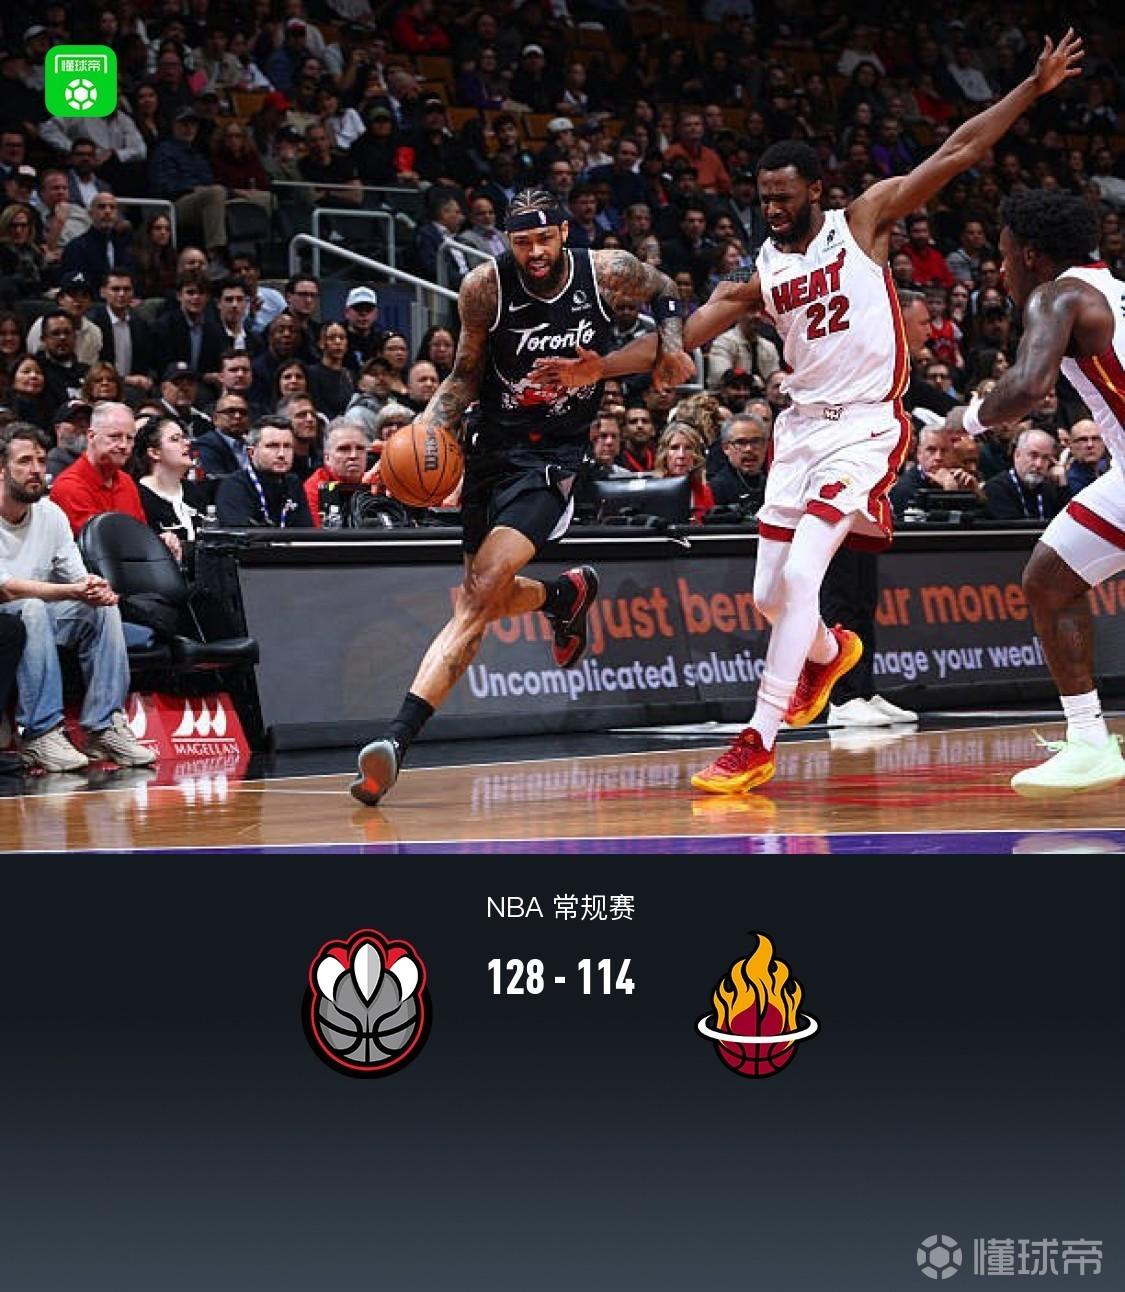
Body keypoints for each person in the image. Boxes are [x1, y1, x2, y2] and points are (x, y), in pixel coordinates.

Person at [535, 30, 1084, 795]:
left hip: (862, 426)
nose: (771, 210)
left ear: (814, 193)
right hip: (796, 432)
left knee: (800, 575)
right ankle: (828, 654)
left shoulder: (860, 222)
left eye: (784, 199)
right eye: (762, 199)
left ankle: (756, 739)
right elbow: (685, 331)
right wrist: (598, 365)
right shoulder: (757, 270)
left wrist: (1030, 87)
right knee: (769, 595)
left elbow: (957, 150)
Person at [349, 185, 691, 807]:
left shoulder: (607, 271)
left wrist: (669, 342)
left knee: (478, 594)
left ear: (563, 232)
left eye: (543, 239)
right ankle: (562, 596)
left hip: (553, 455)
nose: (533, 252)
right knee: (485, 596)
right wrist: (416, 440)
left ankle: (396, 740)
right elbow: (464, 378)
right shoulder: (485, 288)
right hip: (490, 449)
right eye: (521, 241)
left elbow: (667, 289)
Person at [946, 188, 1125, 793]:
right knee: (1049, 580)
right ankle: (1089, 741)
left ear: (1030, 255)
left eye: (1003, 256)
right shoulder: (1110, 290)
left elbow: (1027, 386)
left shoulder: (1059, 294)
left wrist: (967, 420)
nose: (1001, 271)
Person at [0, 422, 157, 772]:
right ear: (1, 470)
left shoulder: (50, 514)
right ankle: (41, 732)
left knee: (101, 610)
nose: (36, 470)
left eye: (41, 461)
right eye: (24, 461)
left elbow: (75, 576)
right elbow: (6, 588)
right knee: (32, 608)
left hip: (39, 615)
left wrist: (94, 588)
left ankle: (104, 726)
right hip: (7, 622)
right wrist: (71, 591)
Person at [214, 418, 315, 528]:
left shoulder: (293, 483)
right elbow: (242, 535)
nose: (281, 454)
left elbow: (307, 532)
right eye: (272, 446)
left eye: (287, 446)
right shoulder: (234, 487)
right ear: (251, 452)